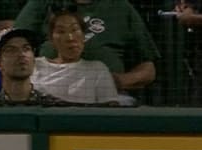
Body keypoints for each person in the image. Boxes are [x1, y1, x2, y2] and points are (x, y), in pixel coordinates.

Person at [13, 0, 158, 99]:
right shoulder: (43, 4)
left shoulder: (120, 6)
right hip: (47, 96)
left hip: (107, 97)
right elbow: (13, 48)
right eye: (61, 32)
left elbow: (149, 70)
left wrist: (114, 81)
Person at [30, 9, 118, 105]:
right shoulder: (35, 65)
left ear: (83, 36)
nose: (70, 38)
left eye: (75, 30)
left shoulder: (97, 69)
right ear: (51, 39)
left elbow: (110, 110)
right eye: (61, 31)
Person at [0, 27, 66, 105]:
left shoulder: (53, 107)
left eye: (26, 49)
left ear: (34, 60)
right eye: (11, 50)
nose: (21, 54)